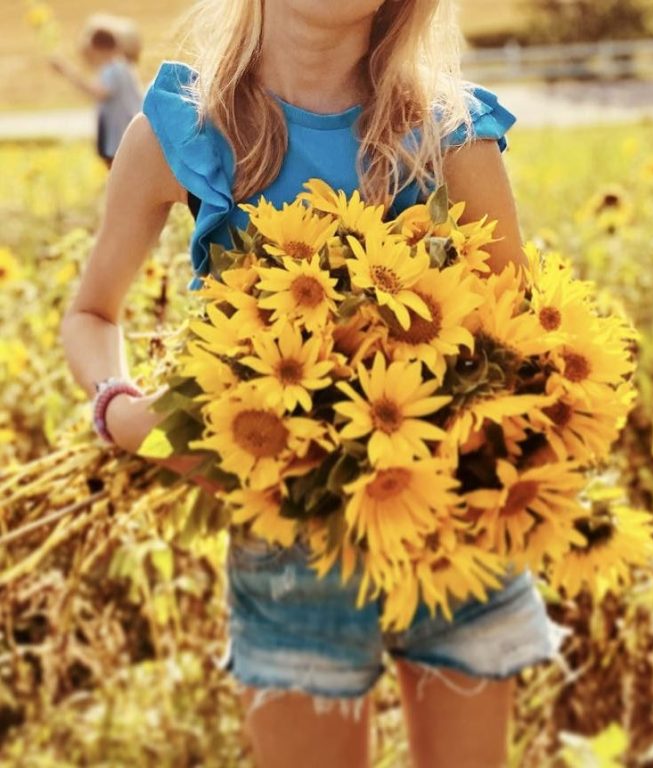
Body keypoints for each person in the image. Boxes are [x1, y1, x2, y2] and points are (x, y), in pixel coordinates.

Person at [59, 1, 572, 766]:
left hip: (449, 529)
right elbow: (92, 312)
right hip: (286, 549)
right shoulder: (179, 132)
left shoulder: (449, 132)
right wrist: (124, 411)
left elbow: (525, 351)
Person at [49, 14, 143, 168]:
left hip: (120, 136)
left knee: (118, 171)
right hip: (124, 135)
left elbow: (98, 92)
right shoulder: (122, 66)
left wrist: (67, 71)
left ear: (97, 50)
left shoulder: (114, 68)